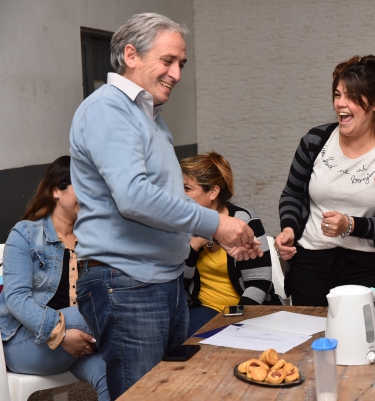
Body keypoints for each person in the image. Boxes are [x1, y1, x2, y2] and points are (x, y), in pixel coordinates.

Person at [69, 13, 262, 399]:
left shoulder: (151, 116)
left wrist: (217, 235)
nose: (176, 73)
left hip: (161, 280)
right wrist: (215, 224)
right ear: (130, 55)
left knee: (175, 391)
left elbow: (166, 200)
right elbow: (134, 197)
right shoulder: (108, 109)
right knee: (144, 394)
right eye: (168, 61)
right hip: (125, 283)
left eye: (181, 64)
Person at [275, 55, 375, 308]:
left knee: (360, 342)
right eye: (338, 94)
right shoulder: (315, 140)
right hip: (310, 263)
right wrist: (288, 228)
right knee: (308, 343)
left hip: (367, 268)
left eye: (351, 97)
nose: (340, 104)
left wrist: (351, 225)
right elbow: (293, 195)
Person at [0, 156, 109, 400]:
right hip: (25, 343)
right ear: (56, 191)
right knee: (96, 310)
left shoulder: (93, 238)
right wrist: (60, 334)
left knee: (115, 377)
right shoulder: (26, 233)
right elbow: (17, 299)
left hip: (79, 339)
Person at [180, 152, 282, 337]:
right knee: (191, 347)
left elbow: (259, 283)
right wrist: (194, 245)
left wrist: (235, 319)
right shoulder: (183, 221)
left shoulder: (243, 221)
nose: (179, 195)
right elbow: (182, 283)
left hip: (246, 306)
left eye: (186, 188)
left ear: (213, 192)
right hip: (205, 308)